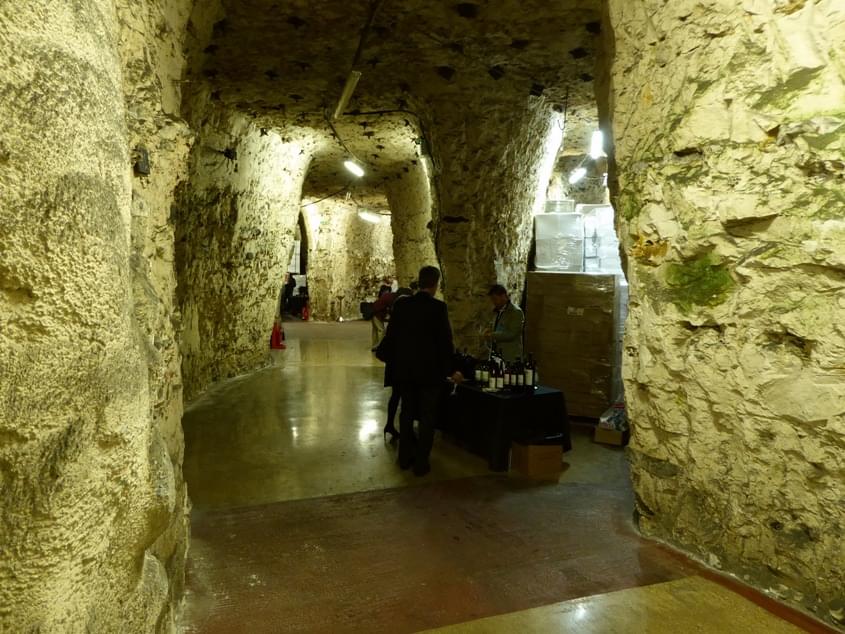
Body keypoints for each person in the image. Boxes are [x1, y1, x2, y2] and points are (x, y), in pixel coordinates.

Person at [376, 266, 461, 476]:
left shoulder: (402, 305)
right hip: (430, 373)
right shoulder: (438, 308)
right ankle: (421, 462)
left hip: (405, 371)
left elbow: (392, 336)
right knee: (427, 417)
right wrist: (452, 369)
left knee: (406, 414)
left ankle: (404, 458)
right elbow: (445, 343)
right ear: (435, 284)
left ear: (419, 281)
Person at [379, 287, 413, 442]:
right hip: (403, 366)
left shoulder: (393, 325)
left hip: (393, 366)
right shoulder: (407, 326)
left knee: (395, 395)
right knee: (406, 397)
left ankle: (389, 424)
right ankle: (407, 429)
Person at [485, 284, 525, 363]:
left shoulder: (516, 312)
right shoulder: (496, 312)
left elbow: (511, 334)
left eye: (495, 299)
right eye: (492, 300)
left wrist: (492, 335)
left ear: (503, 296)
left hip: (510, 358)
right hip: (496, 357)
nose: (493, 302)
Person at [371, 284, 393, 349]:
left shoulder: (381, 297)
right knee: (381, 330)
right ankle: (380, 346)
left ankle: (374, 345)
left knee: (375, 330)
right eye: (387, 291)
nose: (388, 293)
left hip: (374, 314)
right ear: (384, 291)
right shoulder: (386, 297)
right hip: (377, 315)